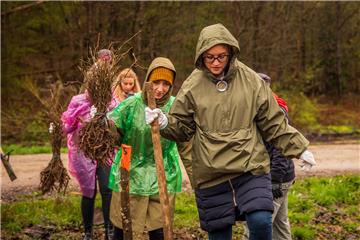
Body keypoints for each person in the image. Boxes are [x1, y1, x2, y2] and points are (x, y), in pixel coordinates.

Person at [145, 23, 316, 240]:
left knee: (261, 220)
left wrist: (299, 149)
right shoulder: (192, 86)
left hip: (250, 164)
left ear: (231, 53)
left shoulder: (251, 80)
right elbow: (183, 128)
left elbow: (273, 121)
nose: (215, 63)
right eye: (209, 57)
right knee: (219, 234)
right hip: (210, 169)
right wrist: (164, 123)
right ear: (201, 56)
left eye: (221, 56)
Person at [107, 57, 182, 240]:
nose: (160, 89)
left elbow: (185, 135)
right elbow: (115, 137)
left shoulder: (176, 106)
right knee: (123, 226)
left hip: (163, 173)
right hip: (129, 172)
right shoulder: (131, 105)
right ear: (148, 80)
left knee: (159, 230)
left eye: (166, 84)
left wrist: (168, 124)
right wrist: (104, 124)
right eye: (156, 82)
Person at [61, 49, 117, 240]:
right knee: (88, 191)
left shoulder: (111, 102)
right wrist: (78, 120)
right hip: (83, 152)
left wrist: (105, 119)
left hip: (104, 152)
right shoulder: (78, 101)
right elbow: (67, 128)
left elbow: (118, 126)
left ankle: (110, 230)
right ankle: (87, 232)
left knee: (107, 189)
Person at [243, 73, 296, 240]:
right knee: (281, 226)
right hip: (282, 177)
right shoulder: (262, 108)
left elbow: (281, 150)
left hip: (274, 179)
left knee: (256, 228)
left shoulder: (275, 111)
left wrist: (274, 182)